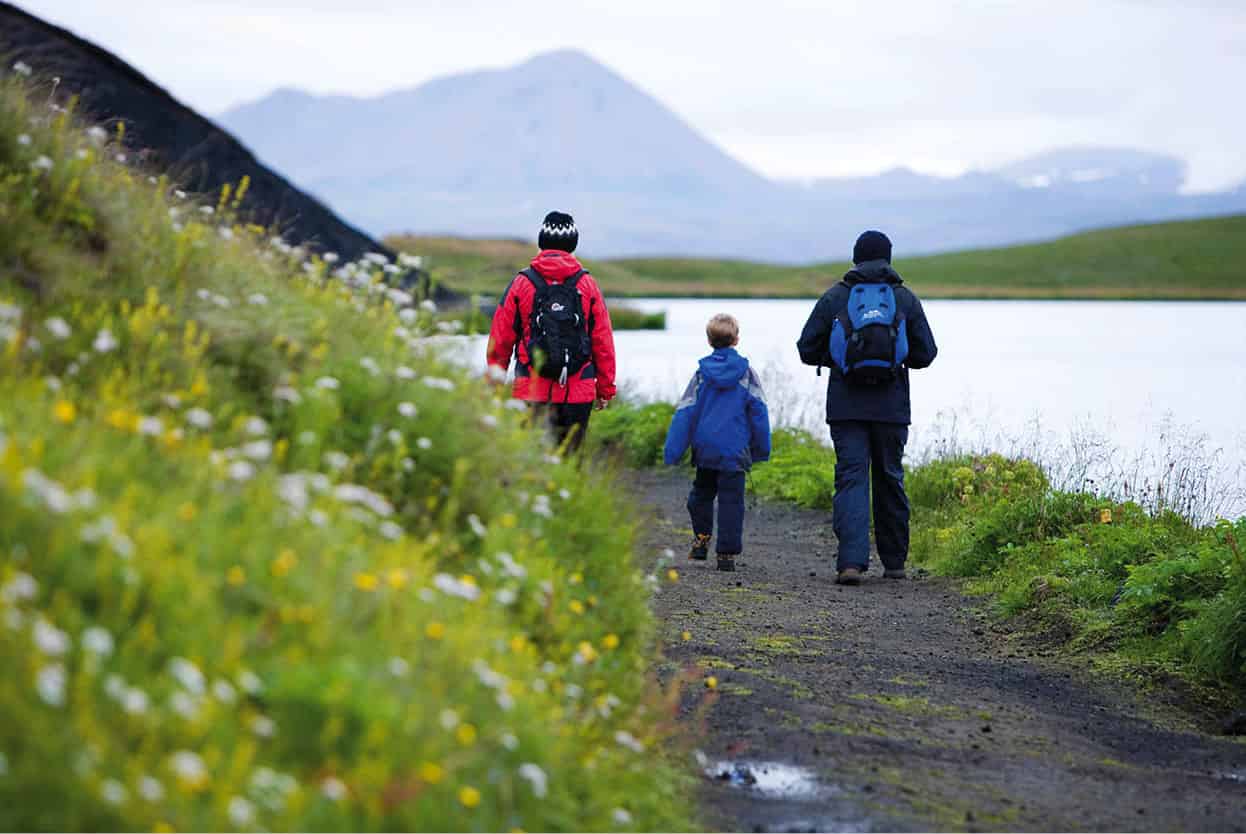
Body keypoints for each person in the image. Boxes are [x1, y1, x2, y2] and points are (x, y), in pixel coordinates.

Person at [796, 231, 937, 586]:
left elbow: (805, 348)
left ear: (855, 257)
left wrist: (837, 360)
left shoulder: (836, 296)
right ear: (888, 258)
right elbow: (926, 353)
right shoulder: (903, 298)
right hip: (892, 407)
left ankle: (851, 565)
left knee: (851, 478)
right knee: (890, 477)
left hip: (846, 406)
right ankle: (894, 563)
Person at [487, 211, 617, 452]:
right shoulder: (587, 284)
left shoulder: (522, 283)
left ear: (541, 242)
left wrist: (494, 384)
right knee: (570, 463)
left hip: (531, 388)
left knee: (532, 462)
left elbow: (501, 338)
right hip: (578, 391)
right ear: (573, 244)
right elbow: (602, 340)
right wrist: (605, 388)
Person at [663, 314, 771, 572]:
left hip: (706, 450)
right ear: (736, 339)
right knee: (732, 502)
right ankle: (726, 555)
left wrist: (673, 451)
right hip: (735, 451)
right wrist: (761, 449)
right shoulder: (747, 374)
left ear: (709, 340)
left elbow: (685, 413)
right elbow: (759, 412)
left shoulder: (701, 374)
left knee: (700, 496)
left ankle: (701, 538)